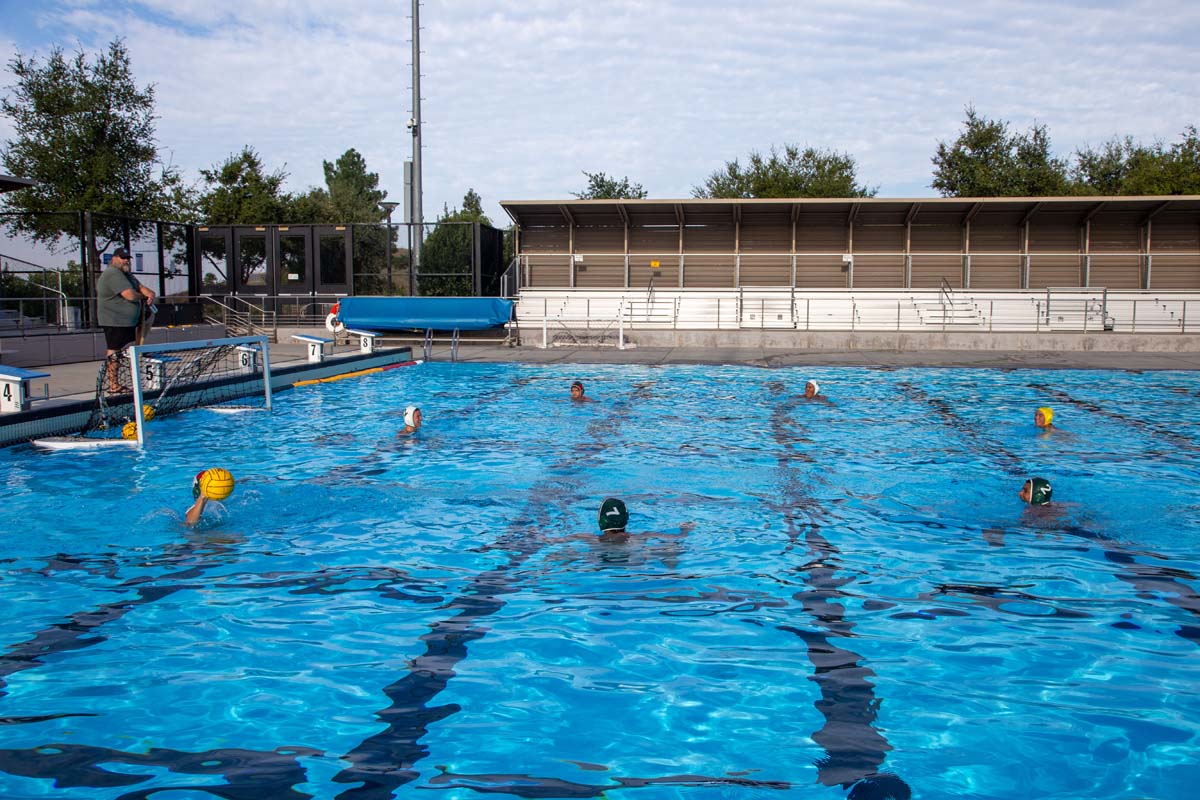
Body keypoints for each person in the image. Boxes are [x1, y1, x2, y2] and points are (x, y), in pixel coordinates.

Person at [97, 247, 156, 391]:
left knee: (150, 315)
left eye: (127, 258)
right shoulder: (113, 273)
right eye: (122, 258)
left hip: (128, 321)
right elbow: (129, 295)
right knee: (114, 350)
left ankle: (137, 348)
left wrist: (149, 293)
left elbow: (140, 286)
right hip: (115, 320)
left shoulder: (126, 274)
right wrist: (143, 296)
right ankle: (113, 384)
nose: (126, 261)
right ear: (114, 258)